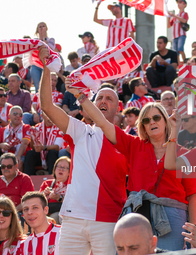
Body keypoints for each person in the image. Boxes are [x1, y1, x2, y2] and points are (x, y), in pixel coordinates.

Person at [73, 96, 196, 250]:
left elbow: (193, 195)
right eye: (146, 120)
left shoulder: (185, 154)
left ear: (166, 121)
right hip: (139, 214)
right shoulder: (133, 145)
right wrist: (81, 97)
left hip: (172, 217)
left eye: (156, 117)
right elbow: (103, 124)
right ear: (143, 127)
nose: (152, 122)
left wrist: (194, 232)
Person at [39, 46, 128, 255]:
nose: (103, 101)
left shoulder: (127, 140)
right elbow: (47, 106)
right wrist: (46, 69)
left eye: (109, 99)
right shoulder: (80, 130)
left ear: (119, 107)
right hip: (73, 217)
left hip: (107, 219)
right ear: (91, 104)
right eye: (100, 98)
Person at [0, 106, 30, 175]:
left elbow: (24, 143)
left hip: (21, 156)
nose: (18, 116)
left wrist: (18, 156)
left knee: (19, 163)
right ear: (9, 116)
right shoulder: (2, 130)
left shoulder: (26, 127)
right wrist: (1, 145)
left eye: (20, 115)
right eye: (15, 114)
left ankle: (15, 185)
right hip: (5, 157)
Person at [39, 157, 70, 224]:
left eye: (64, 168)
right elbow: (37, 201)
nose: (61, 169)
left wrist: (59, 198)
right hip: (45, 211)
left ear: (69, 172)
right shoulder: (47, 183)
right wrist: (43, 195)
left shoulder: (72, 185)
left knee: (54, 218)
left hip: (61, 213)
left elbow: (73, 202)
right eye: (59, 166)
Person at [31, 22, 55, 93]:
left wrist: (44, 38)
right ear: (37, 29)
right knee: (37, 86)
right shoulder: (34, 40)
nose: (41, 28)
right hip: (36, 65)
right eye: (40, 27)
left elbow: (49, 49)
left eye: (43, 26)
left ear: (47, 28)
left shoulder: (51, 40)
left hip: (46, 64)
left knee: (46, 85)